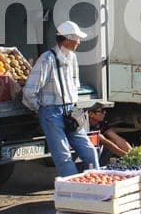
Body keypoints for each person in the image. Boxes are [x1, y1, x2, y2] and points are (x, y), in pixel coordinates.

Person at [22, 21, 98, 177]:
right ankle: (75, 192)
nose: (79, 41)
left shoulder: (73, 58)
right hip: (51, 112)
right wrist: (40, 109)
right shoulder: (47, 59)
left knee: (89, 151)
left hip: (71, 110)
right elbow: (29, 91)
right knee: (63, 156)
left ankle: (95, 183)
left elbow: (75, 83)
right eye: (77, 38)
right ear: (68, 39)